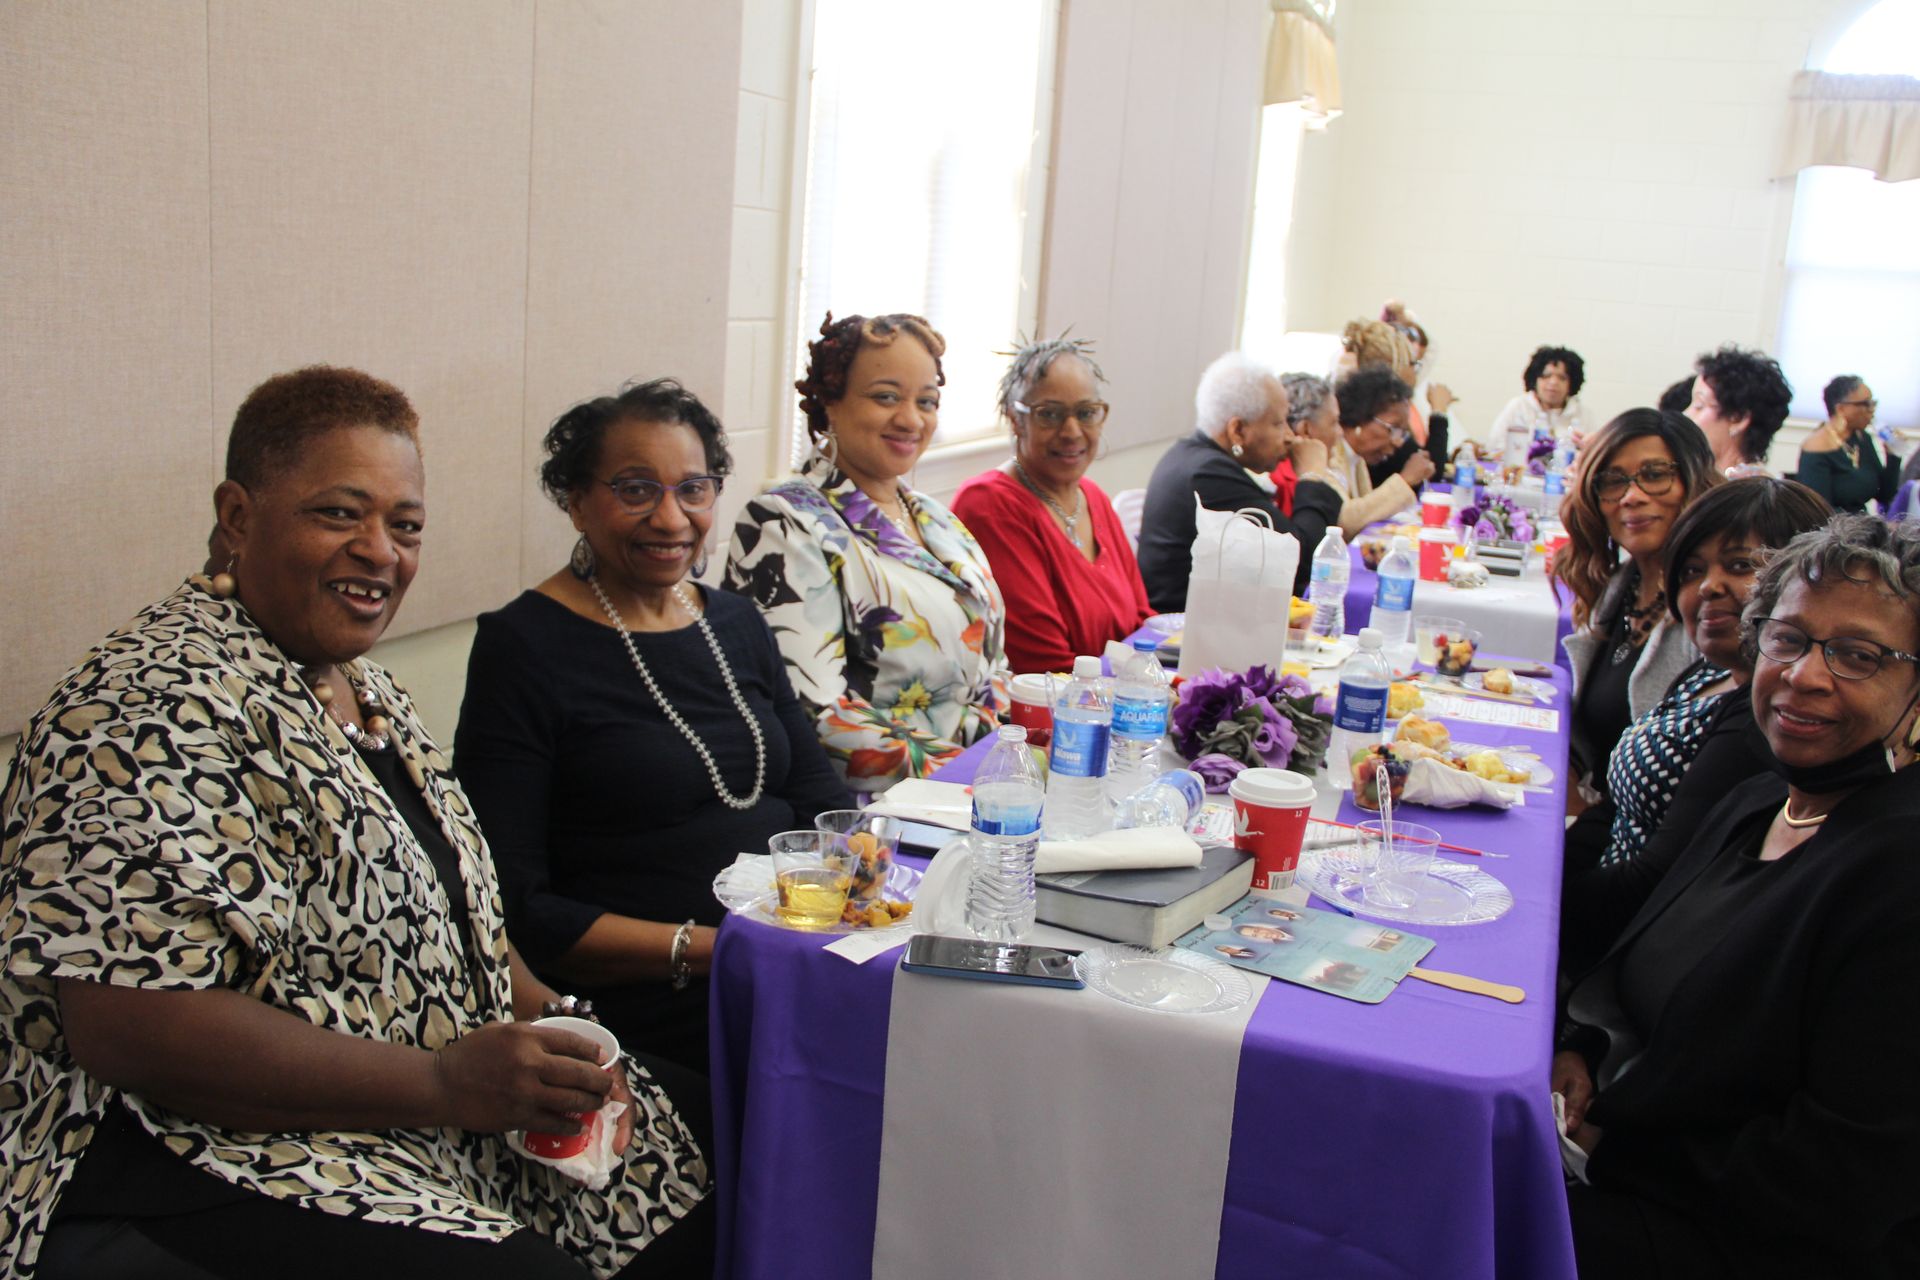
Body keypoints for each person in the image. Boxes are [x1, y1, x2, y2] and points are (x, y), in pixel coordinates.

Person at [0, 367, 711, 1280]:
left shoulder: (358, 688)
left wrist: (560, 1027)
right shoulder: (146, 709)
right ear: (238, 515)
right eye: (341, 514)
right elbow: (132, 1028)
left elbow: (467, 921)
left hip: (421, 1102)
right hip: (193, 1145)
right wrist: (445, 1085)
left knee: (702, 1138)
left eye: (404, 525)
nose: (380, 551)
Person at [1553, 514, 1920, 1279]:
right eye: (1787, 639)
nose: (1805, 675)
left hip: (1729, 1241)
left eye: (1858, 655)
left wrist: (1612, 1144)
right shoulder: (1761, 801)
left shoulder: (1897, 870)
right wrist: (1581, 1051)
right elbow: (1648, 982)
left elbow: (1844, 1180)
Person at [454, 380, 850, 1075]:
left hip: (791, 957)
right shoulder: (523, 647)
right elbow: (516, 906)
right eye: (636, 489)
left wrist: (856, 890)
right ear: (577, 501)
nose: (671, 518)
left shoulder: (734, 620)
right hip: (654, 1005)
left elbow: (817, 794)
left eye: (693, 489)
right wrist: (719, 947)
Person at [1558, 478, 1832, 976]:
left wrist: (1536, 903)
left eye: (1741, 564)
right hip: (1592, 903)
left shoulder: (1761, 722)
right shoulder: (1713, 674)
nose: (1709, 585)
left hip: (1617, 956)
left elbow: (1653, 883)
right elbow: (1618, 812)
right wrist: (1544, 865)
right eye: (1692, 569)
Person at [725, 313, 1007, 791]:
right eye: (886, 397)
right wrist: (974, 775)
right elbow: (818, 716)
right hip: (869, 819)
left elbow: (992, 667)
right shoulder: (784, 522)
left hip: (978, 797)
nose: (911, 419)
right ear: (829, 403)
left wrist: (1018, 752)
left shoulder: (936, 519)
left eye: (926, 401)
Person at [950, 337, 1151, 674]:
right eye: (1050, 415)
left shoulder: (1093, 497)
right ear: (1015, 419)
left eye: (1086, 413)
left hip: (1121, 704)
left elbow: (1142, 623)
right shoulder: (989, 506)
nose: (1071, 431)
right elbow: (1043, 667)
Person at [1555, 409, 1721, 798]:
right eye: (1613, 482)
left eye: (1655, 475)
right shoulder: (1616, 590)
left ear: (1694, 483)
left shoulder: (1710, 611)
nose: (1632, 496)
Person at [1137, 351, 1338, 610]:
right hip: (1181, 634)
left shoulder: (1192, 456)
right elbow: (1297, 562)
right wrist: (1313, 477)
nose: (1289, 437)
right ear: (1238, 430)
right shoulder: (1207, 475)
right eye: (1278, 424)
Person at [1340, 315, 1451, 491]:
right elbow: (1430, 469)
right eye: (1413, 364)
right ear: (1393, 365)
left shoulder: (1394, 406)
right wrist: (1439, 413)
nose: (1416, 372)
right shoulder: (1383, 413)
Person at [1327, 366, 1435, 537]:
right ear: (1359, 418)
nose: (1398, 442)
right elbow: (1344, 521)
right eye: (1393, 429)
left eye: (1402, 433)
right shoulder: (1329, 454)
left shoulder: (1357, 459)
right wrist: (1405, 480)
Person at [1794, 374, 1900, 514]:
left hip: (1863, 527)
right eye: (1865, 404)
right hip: (1834, 532)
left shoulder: (1862, 438)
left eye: (1873, 403)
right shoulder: (1817, 447)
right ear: (1841, 409)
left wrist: (1893, 455)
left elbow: (1884, 495)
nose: (1872, 409)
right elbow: (1818, 511)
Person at [1684, 344, 1791, 478]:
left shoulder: (1751, 494)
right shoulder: (1701, 478)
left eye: (1699, 405)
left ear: (1737, 419)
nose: (1686, 414)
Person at [1483, 345, 1591, 456]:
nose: (1553, 382)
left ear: (1571, 384)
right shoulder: (1518, 406)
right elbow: (1494, 447)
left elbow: (1592, 454)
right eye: (1546, 376)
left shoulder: (1583, 414)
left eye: (1562, 378)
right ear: (1535, 379)